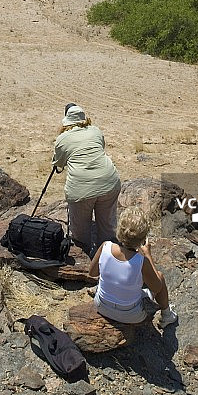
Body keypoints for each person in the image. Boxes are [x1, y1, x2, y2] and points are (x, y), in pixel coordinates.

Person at [88, 205, 178, 329]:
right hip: (131, 315)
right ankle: (167, 315)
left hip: (101, 306)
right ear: (143, 238)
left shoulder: (105, 246)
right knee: (160, 276)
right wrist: (148, 255)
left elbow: (92, 273)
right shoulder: (141, 261)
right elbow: (157, 286)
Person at [53, 103, 121, 254]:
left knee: (81, 234)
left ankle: (86, 266)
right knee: (107, 228)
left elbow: (59, 164)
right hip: (110, 182)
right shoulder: (95, 131)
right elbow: (100, 148)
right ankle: (109, 261)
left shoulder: (62, 139)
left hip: (81, 190)